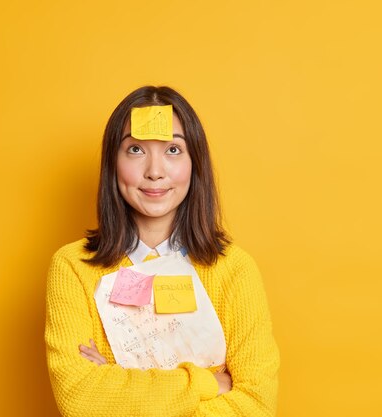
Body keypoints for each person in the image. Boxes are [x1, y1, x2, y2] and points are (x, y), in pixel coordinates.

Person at [45, 86, 279, 416]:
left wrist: (117, 386)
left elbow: (256, 405)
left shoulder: (234, 269)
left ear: (195, 162)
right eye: (136, 150)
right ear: (113, 162)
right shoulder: (73, 267)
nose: (155, 171)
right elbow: (80, 400)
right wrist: (208, 384)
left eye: (172, 149)